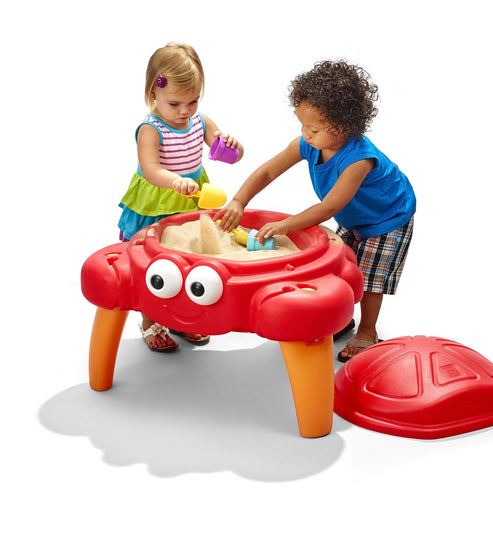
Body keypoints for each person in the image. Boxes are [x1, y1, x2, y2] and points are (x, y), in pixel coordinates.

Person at [217, 60, 415, 362]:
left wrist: (287, 225)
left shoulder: (359, 160)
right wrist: (238, 201)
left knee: (368, 276)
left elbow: (328, 207)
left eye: (313, 128)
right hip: (354, 217)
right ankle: (341, 320)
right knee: (338, 266)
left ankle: (367, 332)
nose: (305, 134)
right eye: (302, 126)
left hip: (388, 218)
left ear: (343, 126)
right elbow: (268, 171)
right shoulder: (308, 144)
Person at [118, 42, 243, 351]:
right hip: (158, 200)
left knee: (190, 258)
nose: (185, 111)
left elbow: (229, 156)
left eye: (193, 101)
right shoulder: (151, 129)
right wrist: (175, 181)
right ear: (153, 93)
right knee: (154, 262)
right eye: (174, 104)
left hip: (191, 199)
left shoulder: (200, 121)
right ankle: (150, 320)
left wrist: (233, 147)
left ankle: (183, 318)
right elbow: (150, 169)